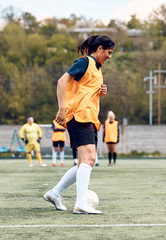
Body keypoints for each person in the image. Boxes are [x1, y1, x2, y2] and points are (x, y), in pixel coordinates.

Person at [43, 35, 115, 214]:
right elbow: (62, 81)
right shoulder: (84, 62)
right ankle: (81, 203)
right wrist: (61, 109)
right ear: (99, 48)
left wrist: (99, 92)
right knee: (89, 158)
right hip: (79, 116)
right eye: (109, 52)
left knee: (84, 162)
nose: (110, 57)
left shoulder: (98, 69)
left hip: (89, 117)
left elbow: (83, 90)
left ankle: (55, 193)